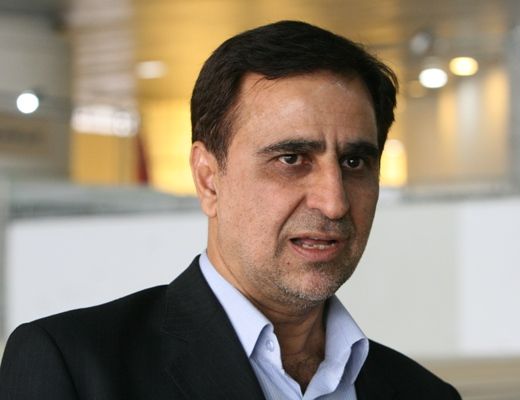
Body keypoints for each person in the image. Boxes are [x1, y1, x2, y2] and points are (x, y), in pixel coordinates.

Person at [0, 20, 460, 399]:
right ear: (208, 178)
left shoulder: (423, 393)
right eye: (291, 159)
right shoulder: (75, 367)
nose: (334, 201)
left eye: (354, 162)